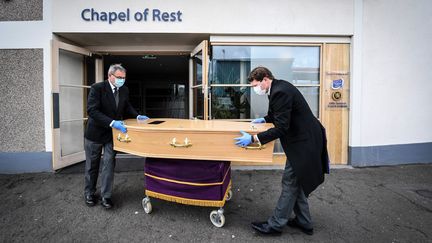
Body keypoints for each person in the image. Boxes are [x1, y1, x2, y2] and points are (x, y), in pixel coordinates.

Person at [234, 66, 329, 236]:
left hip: (305, 142)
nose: (256, 89)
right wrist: (264, 119)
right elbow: (279, 114)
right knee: (296, 182)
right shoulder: (278, 88)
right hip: (305, 138)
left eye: (256, 85)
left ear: (265, 79)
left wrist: (254, 139)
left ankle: (275, 225)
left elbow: (282, 127)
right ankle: (304, 222)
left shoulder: (280, 92)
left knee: (289, 182)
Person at [84, 64, 149, 209]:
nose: (122, 80)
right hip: (94, 134)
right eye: (119, 77)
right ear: (110, 76)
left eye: (124, 78)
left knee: (108, 165)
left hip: (111, 135)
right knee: (92, 165)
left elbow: (126, 106)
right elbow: (92, 111)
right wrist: (112, 122)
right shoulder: (97, 88)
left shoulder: (124, 90)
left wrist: (137, 115)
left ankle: (105, 196)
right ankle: (89, 193)